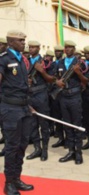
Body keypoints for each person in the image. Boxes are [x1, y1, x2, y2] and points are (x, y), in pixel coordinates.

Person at [0, 30, 34, 195]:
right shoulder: (4, 59)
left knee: (22, 145)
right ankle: (9, 183)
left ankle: (17, 178)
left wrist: (28, 105)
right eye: (20, 41)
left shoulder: (21, 59)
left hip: (24, 107)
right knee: (12, 147)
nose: (23, 43)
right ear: (11, 42)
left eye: (23, 40)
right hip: (11, 109)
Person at [56, 40, 88, 164]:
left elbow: (86, 81)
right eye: (66, 47)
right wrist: (56, 82)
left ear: (74, 49)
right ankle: (70, 151)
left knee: (77, 125)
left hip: (75, 96)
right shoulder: (60, 63)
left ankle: (78, 152)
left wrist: (78, 73)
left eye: (70, 47)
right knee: (67, 125)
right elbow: (54, 77)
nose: (68, 49)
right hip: (63, 96)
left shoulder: (80, 63)